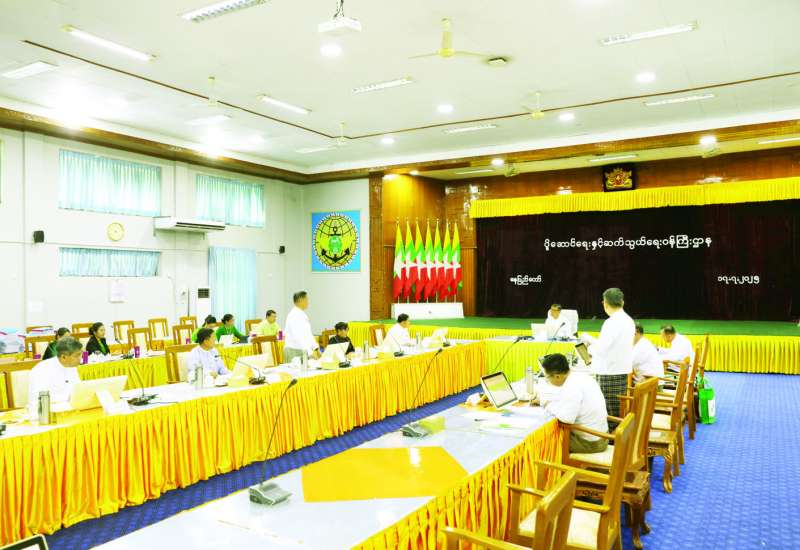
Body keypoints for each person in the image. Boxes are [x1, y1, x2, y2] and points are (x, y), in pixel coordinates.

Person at [534, 353, 609, 453]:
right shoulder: (579, 377)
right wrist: (547, 402)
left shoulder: (571, 387)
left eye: (547, 377)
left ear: (557, 376)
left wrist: (547, 405)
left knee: (543, 443)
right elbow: (566, 401)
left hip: (591, 443)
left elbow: (567, 419)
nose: (547, 380)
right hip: (601, 435)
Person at [580, 287, 635, 418]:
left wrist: (589, 347)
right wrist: (592, 340)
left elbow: (601, 349)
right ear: (622, 302)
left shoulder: (612, 322)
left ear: (605, 303)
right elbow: (611, 345)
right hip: (619, 371)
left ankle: (612, 433)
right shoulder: (628, 320)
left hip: (609, 373)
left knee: (608, 415)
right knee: (616, 413)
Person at [27, 336, 82, 417]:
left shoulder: (72, 367)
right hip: (46, 414)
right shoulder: (42, 370)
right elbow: (39, 401)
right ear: (64, 357)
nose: (80, 358)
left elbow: (78, 390)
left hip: (69, 411)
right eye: (77, 355)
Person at [284, 291, 320, 363]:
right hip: (295, 350)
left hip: (302, 349)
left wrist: (316, 348)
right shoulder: (294, 315)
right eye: (307, 299)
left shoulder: (302, 314)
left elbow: (308, 334)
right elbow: (298, 336)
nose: (308, 302)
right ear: (301, 300)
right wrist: (310, 352)